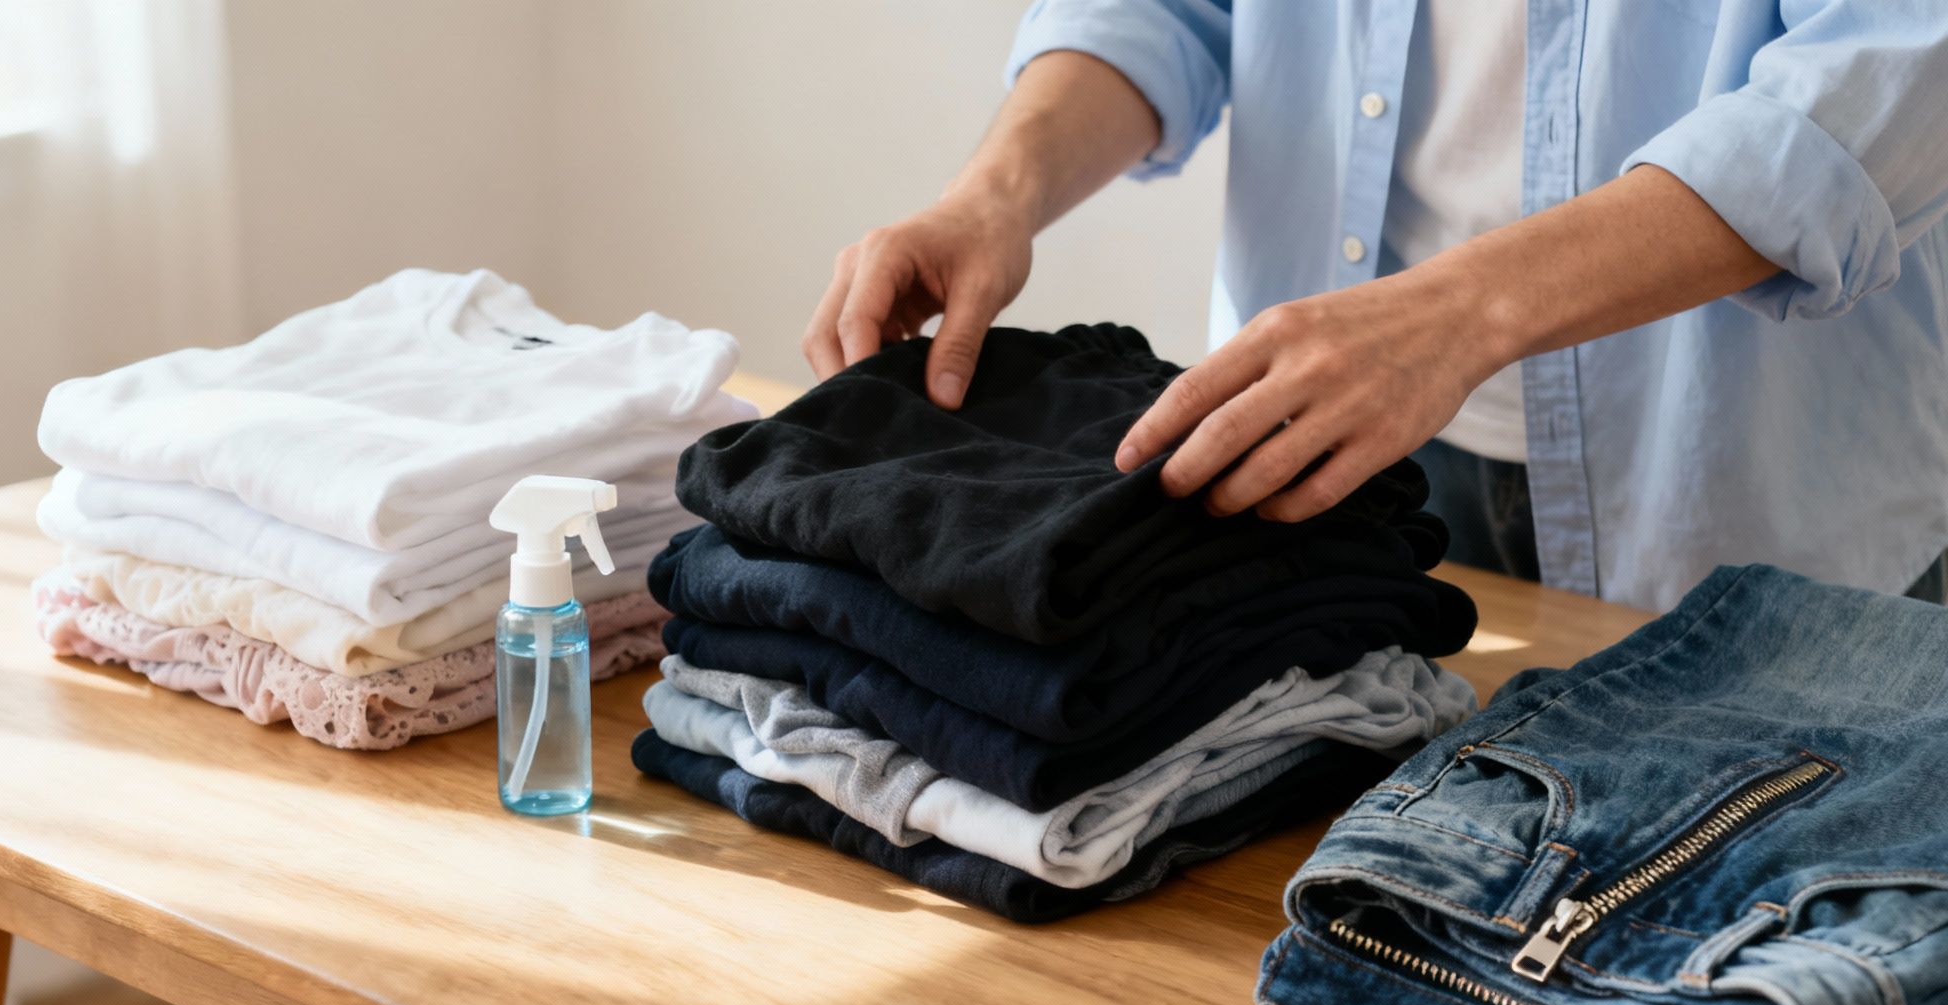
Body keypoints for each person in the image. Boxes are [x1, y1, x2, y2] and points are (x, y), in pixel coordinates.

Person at [801, 2, 1948, 612]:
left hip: (1741, 478)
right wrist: (994, 195)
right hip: (1328, 444)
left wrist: (1453, 317)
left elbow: (1877, 80)